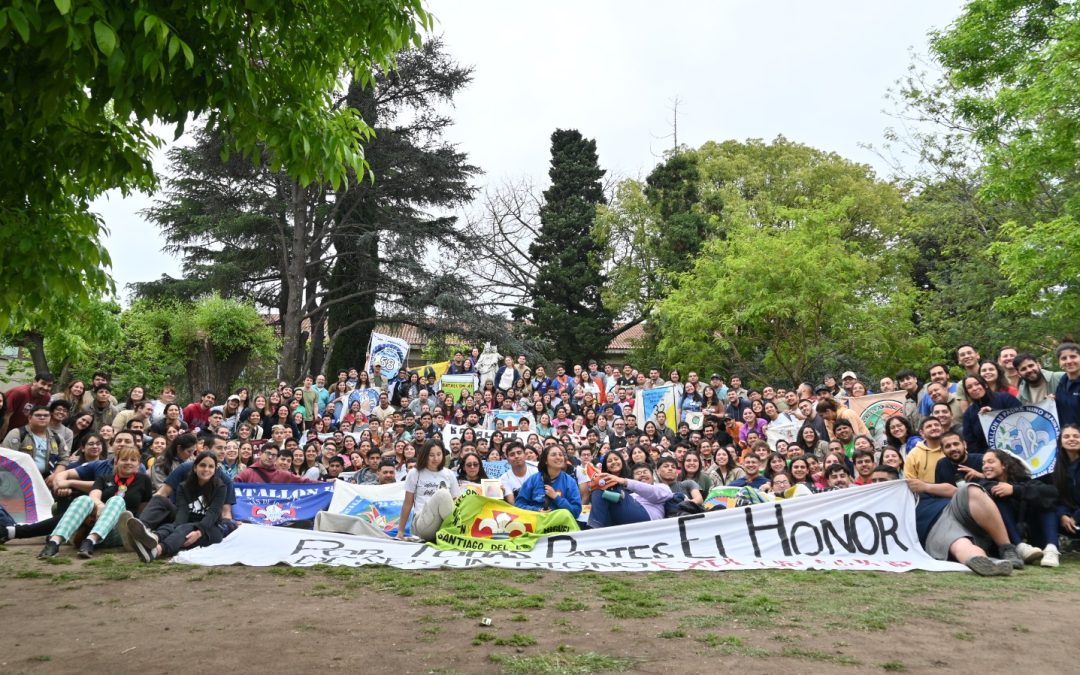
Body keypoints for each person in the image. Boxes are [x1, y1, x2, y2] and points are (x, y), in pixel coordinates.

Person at [36, 433, 152, 559]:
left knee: (116, 500)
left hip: (119, 531)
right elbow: (94, 496)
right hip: (92, 524)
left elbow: (144, 508)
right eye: (124, 459)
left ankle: (90, 541)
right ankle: (54, 542)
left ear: (138, 464)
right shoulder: (104, 479)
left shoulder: (143, 480)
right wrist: (100, 505)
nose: (128, 463)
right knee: (84, 499)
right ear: (116, 462)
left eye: (133, 460)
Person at [900, 473, 1022, 575]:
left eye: (884, 480)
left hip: (954, 509)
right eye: (879, 481)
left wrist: (925, 486)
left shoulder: (914, 487)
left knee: (971, 489)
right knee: (959, 543)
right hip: (933, 527)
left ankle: (1007, 548)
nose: (880, 482)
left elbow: (953, 490)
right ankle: (988, 563)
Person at [128, 450, 229, 562]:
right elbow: (183, 512)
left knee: (184, 528)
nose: (206, 469)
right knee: (166, 514)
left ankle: (156, 551)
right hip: (187, 522)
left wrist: (199, 531)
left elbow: (213, 513)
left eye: (211, 466)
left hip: (209, 529)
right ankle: (149, 536)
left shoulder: (220, 487)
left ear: (215, 470)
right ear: (195, 468)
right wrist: (175, 526)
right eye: (203, 465)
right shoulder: (184, 486)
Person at [978, 449, 1060, 567]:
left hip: (1034, 539)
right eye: (983, 463)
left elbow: (1053, 493)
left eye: (990, 462)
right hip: (1006, 543)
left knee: (1045, 500)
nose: (985, 466)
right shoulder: (984, 484)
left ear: (1004, 465)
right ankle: (1019, 546)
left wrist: (1014, 490)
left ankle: (1051, 549)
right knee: (1000, 496)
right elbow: (993, 490)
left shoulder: (1025, 482)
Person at [396, 441, 461, 542]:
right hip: (422, 523)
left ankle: (454, 531)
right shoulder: (414, 473)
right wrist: (400, 532)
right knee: (442, 493)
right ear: (425, 455)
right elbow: (407, 503)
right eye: (431, 455)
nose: (436, 459)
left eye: (439, 454)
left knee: (447, 497)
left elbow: (456, 502)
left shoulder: (449, 474)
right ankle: (456, 530)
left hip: (442, 524)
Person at [587, 462, 673, 528]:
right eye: (638, 473)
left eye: (645, 472)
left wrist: (623, 481)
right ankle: (595, 528)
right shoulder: (631, 496)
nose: (642, 475)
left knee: (612, 486)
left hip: (649, 520)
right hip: (625, 522)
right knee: (598, 491)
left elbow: (654, 493)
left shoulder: (661, 487)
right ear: (633, 478)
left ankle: (599, 477)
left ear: (653, 476)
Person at [2, 404, 69, 482]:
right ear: (30, 418)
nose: (42, 417)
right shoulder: (17, 433)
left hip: (46, 480)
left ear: (50, 418)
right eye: (38, 415)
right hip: (19, 478)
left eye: (46, 415)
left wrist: (55, 476)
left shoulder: (57, 438)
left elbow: (64, 459)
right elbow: (6, 458)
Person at [516, 445, 582, 518]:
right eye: (553, 455)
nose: (558, 457)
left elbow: (576, 511)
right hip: (536, 523)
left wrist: (556, 497)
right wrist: (537, 510)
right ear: (545, 461)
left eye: (561, 455)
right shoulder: (533, 480)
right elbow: (519, 504)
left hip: (561, 525)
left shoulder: (570, 482)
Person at [960, 375, 1021, 452]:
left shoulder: (1005, 398)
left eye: (977, 384)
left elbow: (1020, 417)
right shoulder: (968, 414)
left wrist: (994, 413)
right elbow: (971, 444)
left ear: (985, 385)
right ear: (967, 392)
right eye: (969, 387)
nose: (974, 388)